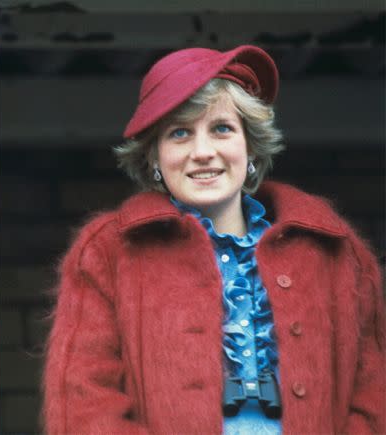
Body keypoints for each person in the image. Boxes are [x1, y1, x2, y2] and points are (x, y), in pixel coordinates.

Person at [43, 45, 385, 434]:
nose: (202, 152)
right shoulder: (107, 252)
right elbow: (85, 407)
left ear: (250, 145)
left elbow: (374, 398)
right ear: (154, 157)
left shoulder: (336, 250)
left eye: (221, 128)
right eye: (180, 133)